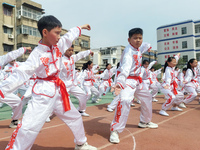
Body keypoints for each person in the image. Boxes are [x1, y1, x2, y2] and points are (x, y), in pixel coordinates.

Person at [0, 15, 96, 150]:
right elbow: (22, 73)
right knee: (28, 127)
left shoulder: (59, 46)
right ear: (45, 32)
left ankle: (81, 143)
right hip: (43, 94)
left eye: (60, 33)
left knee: (75, 117)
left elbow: (69, 36)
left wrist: (80, 28)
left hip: (59, 91)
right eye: (56, 33)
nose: (59, 36)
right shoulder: (37, 54)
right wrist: (3, 89)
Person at [109, 28, 158, 144]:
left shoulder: (139, 47)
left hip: (138, 81)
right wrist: (120, 83)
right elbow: (125, 69)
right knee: (125, 100)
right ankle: (115, 130)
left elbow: (145, 45)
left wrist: (149, 46)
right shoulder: (128, 52)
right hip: (128, 80)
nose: (138, 40)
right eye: (135, 38)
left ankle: (144, 122)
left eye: (140, 38)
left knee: (147, 98)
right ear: (129, 39)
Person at [0, 47, 32, 128]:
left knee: (17, 102)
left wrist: (24, 49)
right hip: (4, 89)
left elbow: (12, 54)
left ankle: (14, 121)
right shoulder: (6, 66)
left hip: (3, 90)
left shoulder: (1, 60)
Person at [60, 44, 94, 117]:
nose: (71, 52)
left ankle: (81, 110)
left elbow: (80, 54)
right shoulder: (60, 60)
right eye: (69, 50)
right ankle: (47, 115)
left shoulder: (73, 58)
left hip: (72, 84)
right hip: (63, 85)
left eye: (72, 50)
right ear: (64, 50)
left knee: (83, 95)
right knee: (57, 100)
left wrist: (89, 51)